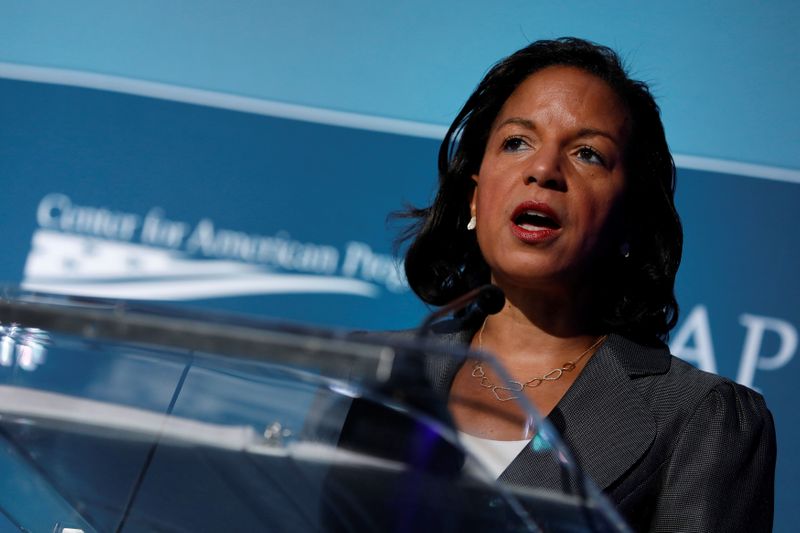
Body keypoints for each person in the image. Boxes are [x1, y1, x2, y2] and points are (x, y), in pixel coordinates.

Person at [394, 37, 776, 531]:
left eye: (588, 153)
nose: (543, 170)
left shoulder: (699, 419)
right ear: (474, 198)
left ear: (630, 221)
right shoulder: (373, 375)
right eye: (517, 142)